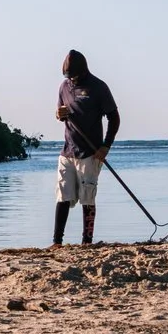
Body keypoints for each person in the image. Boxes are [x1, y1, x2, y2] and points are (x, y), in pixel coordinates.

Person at [53, 50, 120, 245]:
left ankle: (87, 242)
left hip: (90, 153)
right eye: (68, 76)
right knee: (63, 194)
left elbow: (114, 118)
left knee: (87, 197)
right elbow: (60, 113)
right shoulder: (64, 86)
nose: (71, 79)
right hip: (67, 151)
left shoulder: (98, 87)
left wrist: (105, 146)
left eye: (73, 75)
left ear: (83, 71)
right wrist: (59, 114)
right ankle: (57, 242)